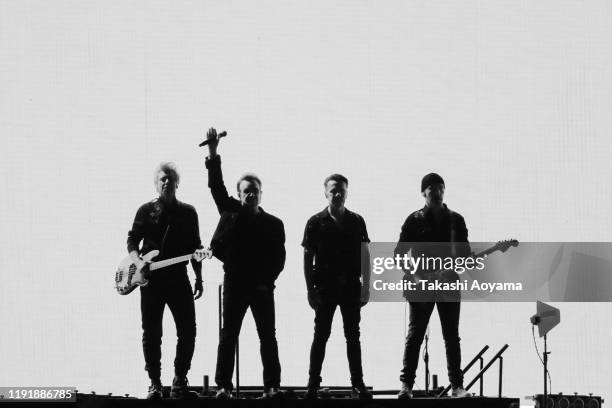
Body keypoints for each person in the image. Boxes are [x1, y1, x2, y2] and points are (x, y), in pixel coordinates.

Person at [203, 128, 286, 399]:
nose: (251, 195)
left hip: (262, 287)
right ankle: (223, 386)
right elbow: (216, 187)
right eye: (246, 191)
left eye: (255, 191)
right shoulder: (230, 213)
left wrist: (266, 283)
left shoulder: (274, 224)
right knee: (229, 336)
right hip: (235, 283)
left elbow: (278, 258)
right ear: (239, 195)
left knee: (267, 337)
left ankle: (272, 386)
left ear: (262, 194)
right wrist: (213, 153)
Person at [126, 162, 204, 399]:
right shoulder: (145, 211)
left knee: (188, 330)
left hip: (179, 277)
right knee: (151, 332)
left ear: (178, 183)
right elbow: (132, 241)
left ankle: (180, 379)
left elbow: (195, 247)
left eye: (171, 178)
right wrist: (139, 263)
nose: (167, 182)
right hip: (151, 281)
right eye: (162, 179)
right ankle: (155, 383)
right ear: (156, 184)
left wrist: (199, 276)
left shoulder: (189, 213)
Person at [395, 173, 469, 399]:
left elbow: (464, 256)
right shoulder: (413, 220)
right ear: (423, 193)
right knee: (415, 335)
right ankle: (406, 386)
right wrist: (416, 275)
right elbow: (399, 255)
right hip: (420, 286)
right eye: (432, 189)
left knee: (451, 336)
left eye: (441, 189)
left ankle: (457, 386)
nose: (437, 193)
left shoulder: (456, 220)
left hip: (448, 284)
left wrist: (461, 261)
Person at [302, 174, 372, 399]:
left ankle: (358, 383)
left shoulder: (357, 220)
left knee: (353, 336)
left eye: (341, 190)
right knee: (321, 335)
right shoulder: (315, 221)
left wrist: (366, 287)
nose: (337, 194)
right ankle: (312, 384)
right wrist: (310, 290)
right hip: (324, 287)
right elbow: (307, 256)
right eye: (333, 190)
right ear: (325, 193)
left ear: (347, 192)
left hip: (351, 285)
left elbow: (366, 255)